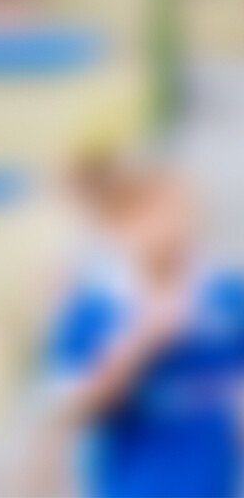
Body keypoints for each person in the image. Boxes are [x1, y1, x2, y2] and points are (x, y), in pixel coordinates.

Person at [48, 158, 244, 498]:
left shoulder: (227, 295)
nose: (170, 227)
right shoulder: (95, 306)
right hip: (132, 486)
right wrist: (141, 342)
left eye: (178, 211)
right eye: (152, 214)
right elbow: (70, 408)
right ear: (123, 226)